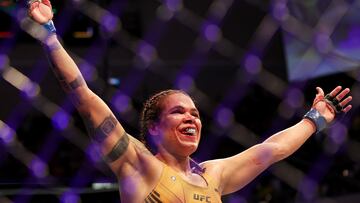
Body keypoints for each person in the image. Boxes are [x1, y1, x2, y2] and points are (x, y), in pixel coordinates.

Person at [28, 0, 352, 202]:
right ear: (153, 127)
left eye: (195, 114)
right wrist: (50, 34)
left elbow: (272, 150)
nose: (192, 119)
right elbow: (83, 96)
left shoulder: (213, 175)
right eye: (179, 112)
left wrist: (315, 118)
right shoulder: (138, 164)